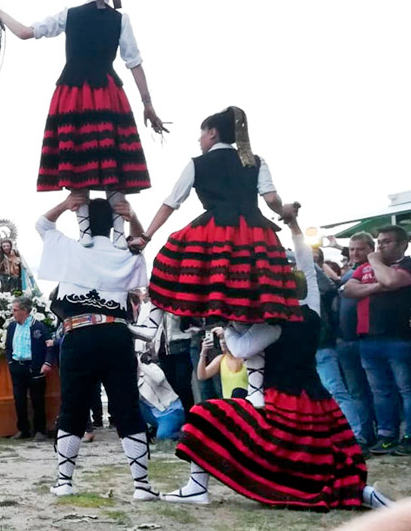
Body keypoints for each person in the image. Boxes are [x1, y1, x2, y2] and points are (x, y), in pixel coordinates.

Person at [163, 217, 389, 510]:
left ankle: (197, 488)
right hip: (316, 402)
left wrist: (225, 323)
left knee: (205, 413)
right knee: (319, 461)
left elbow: (239, 349)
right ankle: (362, 492)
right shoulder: (311, 309)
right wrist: (294, 226)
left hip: (282, 403)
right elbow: (307, 266)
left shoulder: (274, 323)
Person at [0, 0, 166, 250]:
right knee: (113, 161)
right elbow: (134, 63)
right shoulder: (120, 19)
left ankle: (84, 232)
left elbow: (24, 32)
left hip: (72, 94)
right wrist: (148, 104)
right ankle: (118, 235)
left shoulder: (69, 15)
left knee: (77, 160)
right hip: (107, 93)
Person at [129, 106, 301, 331]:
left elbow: (171, 203)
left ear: (212, 133)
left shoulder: (197, 163)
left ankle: (152, 324)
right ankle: (249, 346)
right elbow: (271, 199)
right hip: (254, 233)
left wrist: (146, 237)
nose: (199, 139)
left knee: (168, 264)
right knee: (248, 291)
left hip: (215, 231)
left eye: (201, 133)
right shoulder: (255, 161)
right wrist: (284, 212)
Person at [36, 195, 157, 499]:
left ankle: (64, 481)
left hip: (78, 335)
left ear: (82, 219)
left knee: (72, 407)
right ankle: (141, 485)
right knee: (126, 406)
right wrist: (132, 216)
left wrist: (66, 203)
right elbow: (141, 242)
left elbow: (42, 225)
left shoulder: (69, 249)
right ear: (114, 222)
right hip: (115, 335)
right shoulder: (123, 251)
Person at [342, 225, 411, 455]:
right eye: (379, 242)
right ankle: (387, 435)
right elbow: (349, 290)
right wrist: (378, 286)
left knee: (406, 389)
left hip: (398, 337)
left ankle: (409, 437)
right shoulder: (364, 268)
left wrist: (374, 261)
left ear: (403, 245)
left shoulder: (406, 264)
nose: (380, 246)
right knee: (380, 391)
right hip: (368, 338)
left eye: (386, 242)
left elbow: (391, 280)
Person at [334, 232, 377, 452]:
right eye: (351, 249)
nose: (354, 253)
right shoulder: (348, 275)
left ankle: (385, 433)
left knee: (378, 389)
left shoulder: (377, 272)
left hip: (369, 339)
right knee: (356, 391)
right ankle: (364, 435)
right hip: (345, 341)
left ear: (371, 249)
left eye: (360, 249)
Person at [5, 296, 55, 441]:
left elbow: (50, 345)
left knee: (37, 400)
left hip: (34, 368)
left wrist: (47, 363)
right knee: (19, 400)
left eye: (15, 310)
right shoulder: (12, 327)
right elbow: (8, 347)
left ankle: (40, 431)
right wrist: (10, 362)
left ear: (25, 311)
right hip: (17, 367)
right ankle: (23, 430)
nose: (13, 313)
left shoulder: (38, 326)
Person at [195, 328, 248, 399]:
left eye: (225, 338)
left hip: (247, 402)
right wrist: (203, 353)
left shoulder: (246, 358)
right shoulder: (220, 359)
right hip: (228, 403)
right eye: (221, 339)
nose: (222, 341)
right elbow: (202, 376)